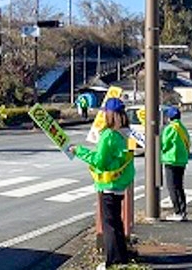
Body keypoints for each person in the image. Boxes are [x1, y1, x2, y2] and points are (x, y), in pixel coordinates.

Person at [69, 98, 134, 270]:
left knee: (110, 226)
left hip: (108, 185)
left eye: (105, 112)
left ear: (110, 114)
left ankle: (113, 262)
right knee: (116, 223)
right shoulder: (123, 133)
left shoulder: (109, 135)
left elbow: (100, 161)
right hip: (119, 185)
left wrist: (79, 150)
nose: (103, 114)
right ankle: (122, 259)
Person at [161, 106, 190, 221]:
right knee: (179, 187)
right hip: (182, 161)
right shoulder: (183, 128)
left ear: (169, 117)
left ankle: (177, 212)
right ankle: (183, 211)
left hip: (171, 160)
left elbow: (164, 144)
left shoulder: (170, 129)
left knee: (172, 187)